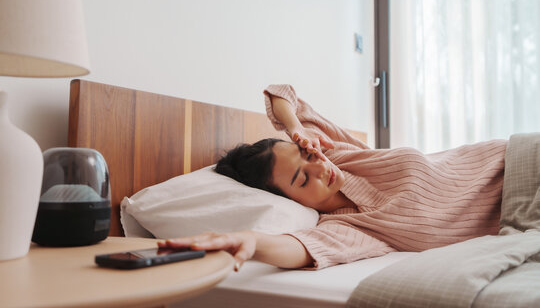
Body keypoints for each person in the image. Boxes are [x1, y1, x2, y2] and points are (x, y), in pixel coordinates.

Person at [158, 84, 506, 271]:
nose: (320, 168)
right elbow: (302, 249)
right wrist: (251, 241)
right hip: (520, 214)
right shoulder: (347, 228)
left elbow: (281, 93)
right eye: (303, 181)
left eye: (308, 157)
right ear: (291, 201)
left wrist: (296, 132)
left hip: (510, 159)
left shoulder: (335, 152)